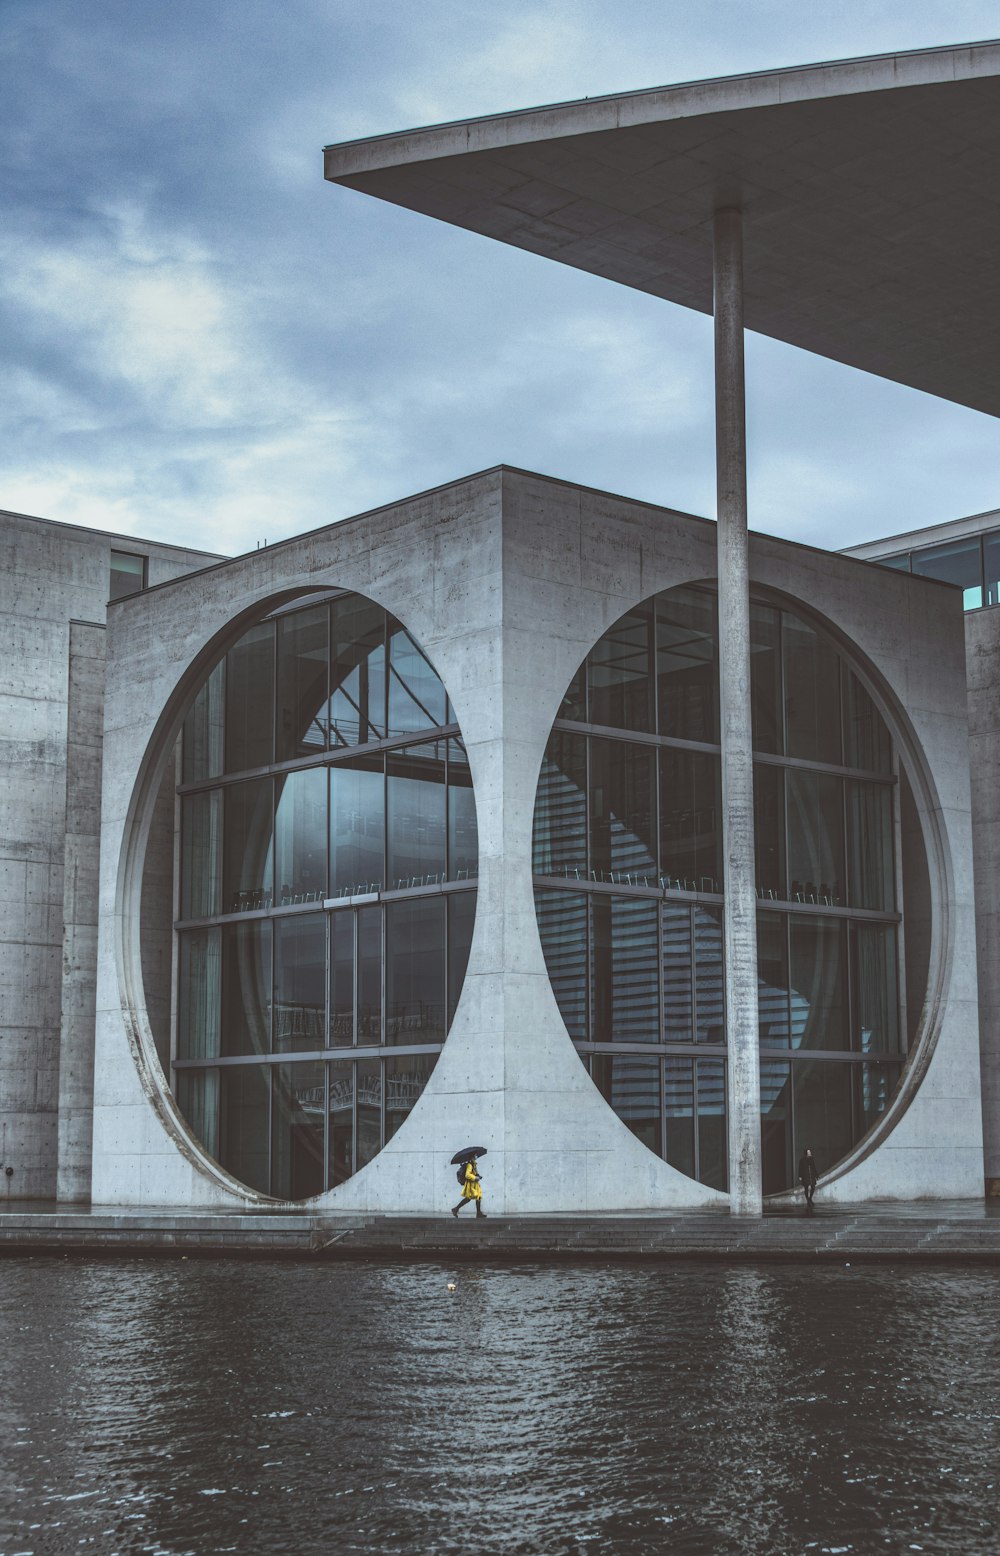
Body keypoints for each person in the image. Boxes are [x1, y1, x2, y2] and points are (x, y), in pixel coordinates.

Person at [798, 1147, 818, 1214]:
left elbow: (814, 1166)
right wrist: (800, 1176)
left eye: (810, 1152)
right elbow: (800, 1168)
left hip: (811, 1175)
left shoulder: (811, 1159)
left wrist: (816, 1175)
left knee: (813, 1187)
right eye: (809, 1152)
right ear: (806, 1153)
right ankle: (809, 1201)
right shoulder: (802, 1160)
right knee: (806, 1188)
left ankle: (809, 1199)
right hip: (805, 1176)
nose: (810, 1153)